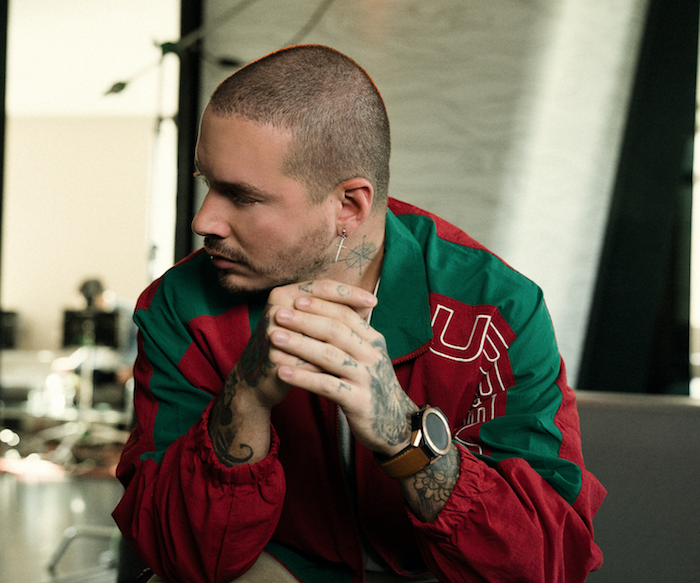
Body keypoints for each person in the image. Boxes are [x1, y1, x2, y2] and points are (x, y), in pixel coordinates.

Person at [113, 45, 605, 583]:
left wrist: (404, 433)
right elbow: (180, 557)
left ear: (349, 205)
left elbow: (546, 566)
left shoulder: (496, 312)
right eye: (208, 183)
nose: (204, 220)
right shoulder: (180, 306)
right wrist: (245, 397)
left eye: (242, 196)